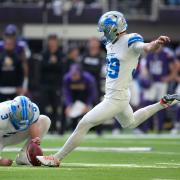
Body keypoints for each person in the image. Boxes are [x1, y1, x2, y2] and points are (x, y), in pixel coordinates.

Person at [37, 11, 180, 166]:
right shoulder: (111, 43)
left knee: (84, 123)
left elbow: (146, 47)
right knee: (130, 123)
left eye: (106, 30)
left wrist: (156, 43)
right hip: (119, 94)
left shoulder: (130, 40)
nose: (104, 34)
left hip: (115, 98)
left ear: (114, 28)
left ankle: (56, 158)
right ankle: (163, 103)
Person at [0, 96, 51, 166]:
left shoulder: (34, 109)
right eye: (19, 118)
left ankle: (24, 156)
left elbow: (33, 124)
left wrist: (35, 141)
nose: (22, 122)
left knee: (44, 120)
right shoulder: (2, 115)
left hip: (14, 134)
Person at [40, 34, 64, 133]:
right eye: (51, 41)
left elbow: (61, 67)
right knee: (44, 107)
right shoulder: (44, 53)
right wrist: (52, 64)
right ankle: (45, 128)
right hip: (45, 84)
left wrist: (53, 64)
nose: (53, 43)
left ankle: (54, 127)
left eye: (54, 41)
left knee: (55, 106)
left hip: (57, 84)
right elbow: (42, 67)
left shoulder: (61, 54)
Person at [63, 64, 97, 130]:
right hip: (74, 96)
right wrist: (69, 105)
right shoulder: (67, 78)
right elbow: (66, 93)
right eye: (72, 75)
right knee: (65, 108)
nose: (74, 77)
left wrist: (88, 105)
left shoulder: (88, 79)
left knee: (95, 107)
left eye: (75, 75)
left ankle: (98, 130)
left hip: (86, 95)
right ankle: (67, 130)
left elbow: (92, 93)